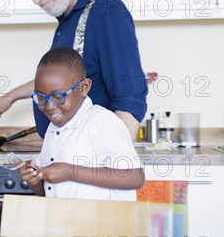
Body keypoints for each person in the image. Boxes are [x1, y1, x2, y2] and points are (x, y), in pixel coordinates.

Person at [0, 0, 147, 140]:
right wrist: (11, 96)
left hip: (90, 158)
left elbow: (129, 96)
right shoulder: (70, 19)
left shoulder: (106, 11)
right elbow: (63, 81)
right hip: (66, 153)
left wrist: (117, 163)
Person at [19, 47, 144, 200]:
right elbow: (49, 191)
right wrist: (35, 180)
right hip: (65, 220)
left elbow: (134, 176)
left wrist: (70, 172)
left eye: (58, 96)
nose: (49, 106)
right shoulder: (53, 128)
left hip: (102, 222)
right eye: (40, 97)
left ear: (83, 88)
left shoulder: (101, 121)